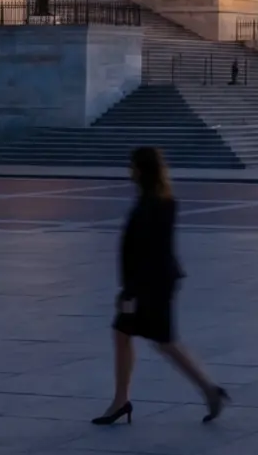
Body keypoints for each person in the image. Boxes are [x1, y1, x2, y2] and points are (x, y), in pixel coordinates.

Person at [91, 146, 227, 425]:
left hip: (150, 286)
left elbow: (149, 252)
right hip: (153, 283)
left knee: (163, 341)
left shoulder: (154, 203)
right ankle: (122, 400)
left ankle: (209, 390)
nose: (129, 171)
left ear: (142, 169)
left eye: (132, 166)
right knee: (129, 334)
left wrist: (130, 293)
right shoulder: (158, 199)